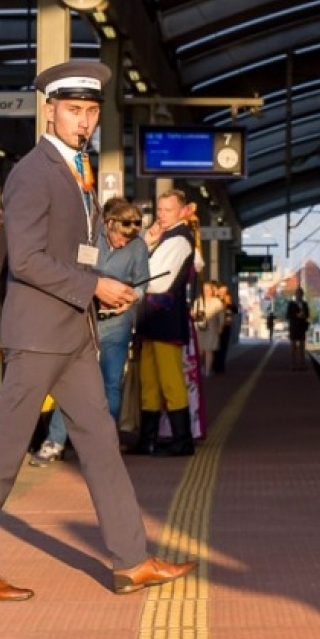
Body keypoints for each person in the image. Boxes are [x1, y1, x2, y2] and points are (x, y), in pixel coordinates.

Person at [0, 60, 193, 602]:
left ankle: (131, 561)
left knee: (102, 446)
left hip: (73, 334)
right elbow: (28, 261)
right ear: (50, 110)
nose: (83, 121)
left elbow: (68, 253)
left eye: (89, 112)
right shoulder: (33, 172)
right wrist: (96, 287)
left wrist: (96, 290)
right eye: (73, 110)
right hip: (38, 334)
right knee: (6, 451)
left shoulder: (77, 171)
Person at [31, 198, 149, 467]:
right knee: (72, 381)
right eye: (120, 237)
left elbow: (142, 282)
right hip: (83, 318)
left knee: (110, 383)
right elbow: (72, 271)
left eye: (129, 240)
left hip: (116, 323)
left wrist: (133, 297)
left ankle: (106, 444)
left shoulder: (138, 246)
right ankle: (55, 441)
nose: (123, 244)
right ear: (109, 224)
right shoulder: (89, 237)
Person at [135, 190, 199, 456]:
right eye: (159, 210)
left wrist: (141, 260)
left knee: (170, 380)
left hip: (165, 315)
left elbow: (157, 279)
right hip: (154, 316)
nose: (161, 216)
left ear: (182, 211)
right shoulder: (165, 236)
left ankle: (182, 440)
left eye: (167, 210)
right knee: (149, 379)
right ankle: (148, 439)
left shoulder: (180, 238)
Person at [193, 280, 227, 377]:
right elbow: (194, 314)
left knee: (209, 350)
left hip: (212, 329)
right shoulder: (198, 301)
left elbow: (221, 316)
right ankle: (199, 369)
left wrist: (220, 326)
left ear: (212, 290)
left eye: (208, 289)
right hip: (199, 329)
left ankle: (207, 370)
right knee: (199, 351)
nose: (206, 291)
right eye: (204, 289)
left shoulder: (217, 302)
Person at [286, 287, 310, 370]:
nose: (299, 295)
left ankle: (302, 364)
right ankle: (293, 364)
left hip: (302, 327)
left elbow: (307, 314)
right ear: (295, 294)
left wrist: (304, 315)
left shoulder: (304, 304)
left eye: (301, 294)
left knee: (302, 346)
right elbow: (288, 315)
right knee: (293, 346)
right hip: (294, 327)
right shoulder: (291, 304)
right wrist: (296, 315)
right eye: (298, 294)